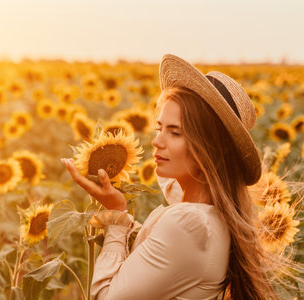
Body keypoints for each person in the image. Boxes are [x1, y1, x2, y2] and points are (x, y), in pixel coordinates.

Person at [61, 54, 281, 299]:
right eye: (159, 128)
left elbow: (105, 296)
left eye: (175, 132)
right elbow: (157, 257)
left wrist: (115, 221)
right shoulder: (211, 215)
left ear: (210, 147)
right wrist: (117, 208)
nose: (156, 141)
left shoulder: (189, 225)